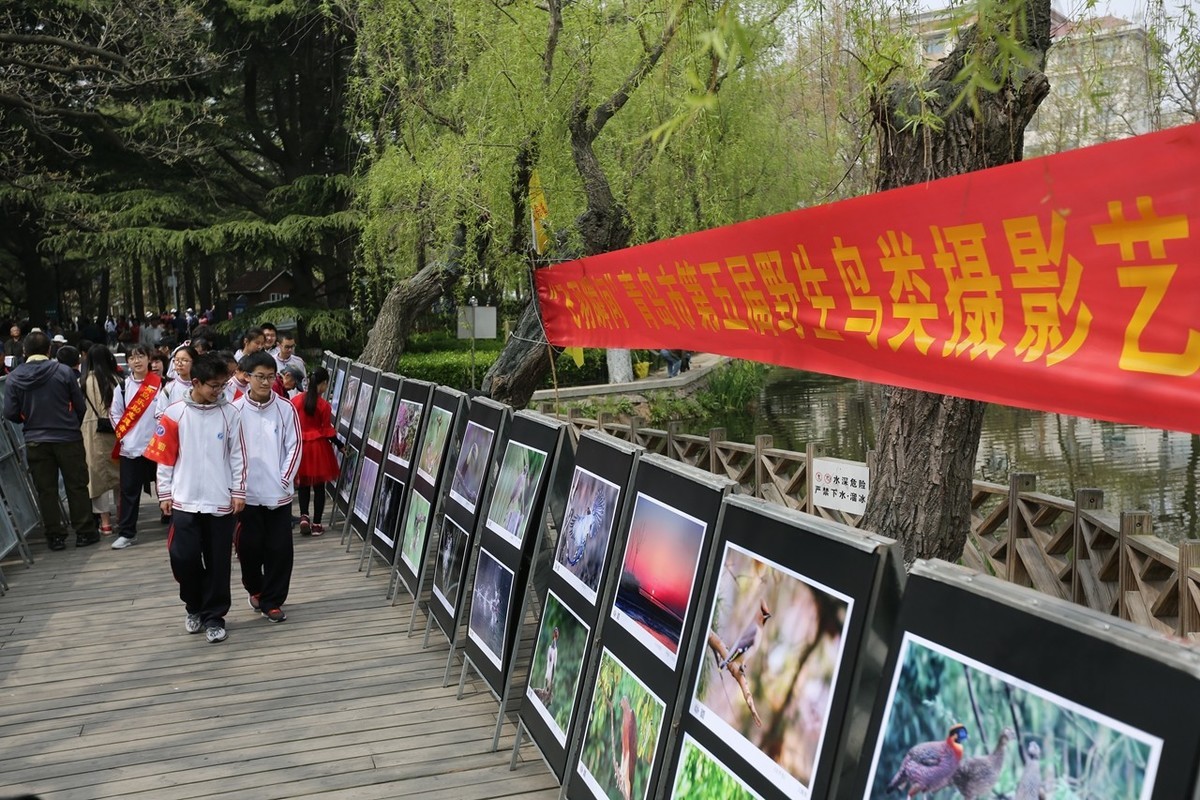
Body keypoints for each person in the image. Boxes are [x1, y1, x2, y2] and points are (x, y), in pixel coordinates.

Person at [147, 352, 246, 644]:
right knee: (183, 557)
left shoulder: (230, 414)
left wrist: (238, 490)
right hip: (184, 500)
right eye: (213, 386)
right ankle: (193, 605)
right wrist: (165, 493)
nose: (219, 391)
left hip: (220, 500)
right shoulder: (174, 413)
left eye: (222, 385)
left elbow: (238, 456)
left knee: (219, 562)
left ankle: (214, 616)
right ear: (196, 382)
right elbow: (165, 458)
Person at [3, 331, 99, 550]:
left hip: (35, 439)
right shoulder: (64, 371)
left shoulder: (14, 377)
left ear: (24, 351)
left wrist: (27, 419)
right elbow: (80, 405)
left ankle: (55, 536)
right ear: (49, 350)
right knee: (76, 485)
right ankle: (84, 532)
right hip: (68, 437)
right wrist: (71, 423)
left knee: (46, 490)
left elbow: (10, 412)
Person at [232, 352, 300, 622]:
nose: (264, 382)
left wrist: (284, 480)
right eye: (259, 376)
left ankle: (273, 601)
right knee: (248, 548)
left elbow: (295, 446)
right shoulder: (235, 410)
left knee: (279, 550)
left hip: (277, 494)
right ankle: (255, 588)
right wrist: (235, 486)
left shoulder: (285, 408)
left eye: (270, 377)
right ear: (246, 377)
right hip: (245, 495)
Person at [109, 344, 163, 550]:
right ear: (128, 362)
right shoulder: (122, 387)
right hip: (131, 448)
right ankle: (127, 533)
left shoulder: (161, 385)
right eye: (132, 358)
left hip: (158, 446)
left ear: (149, 359)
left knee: (169, 486)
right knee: (129, 491)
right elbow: (115, 413)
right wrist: (124, 437)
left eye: (140, 356)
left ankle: (176, 523)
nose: (137, 361)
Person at [291, 366, 339, 537]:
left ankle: (304, 516)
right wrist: (340, 445)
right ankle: (317, 524)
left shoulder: (296, 401)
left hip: (301, 447)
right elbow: (327, 431)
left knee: (303, 484)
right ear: (324, 383)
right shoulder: (324, 405)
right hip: (319, 448)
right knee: (319, 487)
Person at [80, 345, 122, 535]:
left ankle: (105, 522)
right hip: (115, 428)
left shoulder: (83, 382)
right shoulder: (117, 380)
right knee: (120, 475)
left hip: (91, 431)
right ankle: (122, 515)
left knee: (97, 477)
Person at [156, 345, 197, 417]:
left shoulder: (202, 386)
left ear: (194, 362)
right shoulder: (168, 389)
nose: (179, 363)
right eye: (177, 360)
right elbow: (160, 413)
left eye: (184, 360)